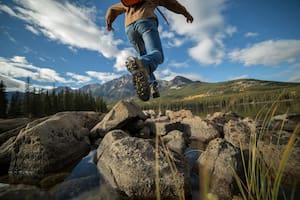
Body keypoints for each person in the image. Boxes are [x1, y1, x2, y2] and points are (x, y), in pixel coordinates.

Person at [106, 0, 193, 101]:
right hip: (145, 21)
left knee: (144, 58)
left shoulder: (128, 1)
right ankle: (141, 66)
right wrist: (186, 14)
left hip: (129, 29)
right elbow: (171, 3)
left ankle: (152, 86)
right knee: (157, 55)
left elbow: (111, 9)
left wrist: (109, 23)